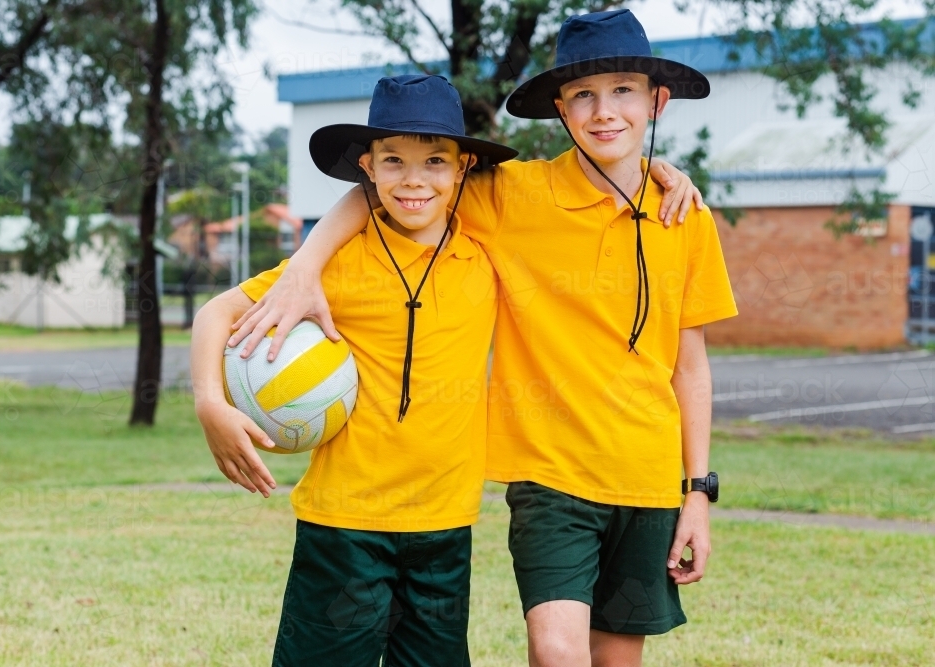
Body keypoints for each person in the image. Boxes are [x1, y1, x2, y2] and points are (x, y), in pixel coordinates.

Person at [227, 9, 737, 667]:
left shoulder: (684, 216)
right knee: (557, 650)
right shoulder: (513, 194)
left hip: (646, 476)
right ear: (559, 107)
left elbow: (689, 366)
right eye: (582, 93)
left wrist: (698, 490)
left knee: (616, 657)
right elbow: (395, 181)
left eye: (623, 91)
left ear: (656, 100)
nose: (603, 110)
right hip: (549, 476)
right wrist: (304, 263)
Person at [192, 73, 518, 666]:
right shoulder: (331, 265)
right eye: (393, 160)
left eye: (435, 162)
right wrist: (210, 403)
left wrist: (660, 171)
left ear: (464, 167)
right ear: (367, 167)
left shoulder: (488, 252)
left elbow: (573, 182)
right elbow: (217, 312)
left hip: (445, 529)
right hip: (342, 527)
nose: (414, 179)